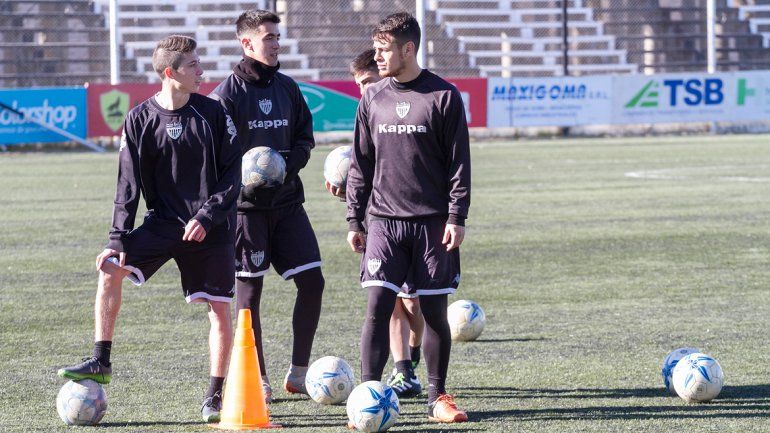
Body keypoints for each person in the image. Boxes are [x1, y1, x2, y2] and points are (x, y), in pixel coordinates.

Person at [57, 35, 241, 423]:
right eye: (193, 65)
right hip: (162, 224)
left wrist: (207, 216)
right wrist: (116, 238)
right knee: (109, 269)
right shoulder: (139, 119)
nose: (201, 70)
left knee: (221, 310)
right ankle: (100, 360)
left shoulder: (214, 113)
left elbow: (232, 176)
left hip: (212, 229)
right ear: (171, 73)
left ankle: (216, 396)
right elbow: (127, 185)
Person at [346, 13, 471, 423]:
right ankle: (365, 395)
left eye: (384, 50)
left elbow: (458, 165)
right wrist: (354, 220)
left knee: (434, 312)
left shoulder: (444, 97)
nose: (378, 57)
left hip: (432, 223)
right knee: (378, 305)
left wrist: (456, 216)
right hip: (383, 220)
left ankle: (438, 396)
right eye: (377, 49)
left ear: (408, 49)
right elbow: (361, 164)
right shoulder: (373, 97)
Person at [209, 9, 324, 403]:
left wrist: (284, 168)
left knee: (313, 282)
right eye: (268, 37)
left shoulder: (289, 88)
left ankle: (299, 372)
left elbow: (305, 141)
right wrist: (247, 181)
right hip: (246, 213)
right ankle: (257, 377)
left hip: (289, 205)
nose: (276, 43)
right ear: (247, 43)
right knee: (249, 297)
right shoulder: (225, 96)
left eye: (277, 36)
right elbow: (214, 158)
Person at [326, 49, 425, 399]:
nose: (363, 91)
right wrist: (349, 198)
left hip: (414, 218)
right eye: (358, 85)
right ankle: (402, 371)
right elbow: (364, 167)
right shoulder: (367, 110)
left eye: (368, 82)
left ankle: (412, 354)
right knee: (387, 296)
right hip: (377, 219)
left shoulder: (410, 106)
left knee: (414, 303)